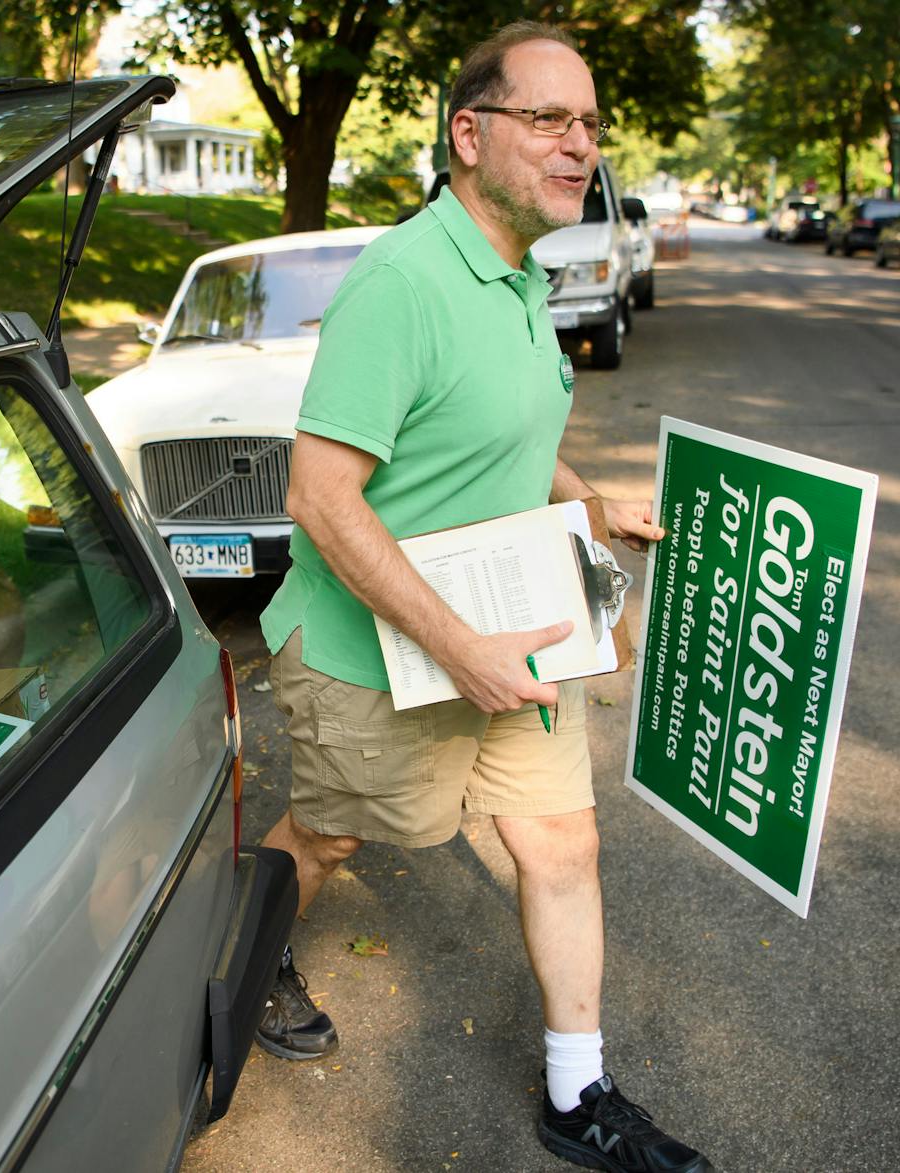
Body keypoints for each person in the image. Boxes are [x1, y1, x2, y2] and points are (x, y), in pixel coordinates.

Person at [252, 22, 711, 1173]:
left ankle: (577, 1093)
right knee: (328, 834)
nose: (578, 147)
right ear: (468, 133)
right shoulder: (403, 282)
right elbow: (319, 495)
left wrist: (587, 499)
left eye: (590, 125)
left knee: (560, 844)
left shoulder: (518, 274)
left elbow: (499, 432)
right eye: (548, 119)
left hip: (512, 636)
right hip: (380, 657)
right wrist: (458, 648)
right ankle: (246, 955)